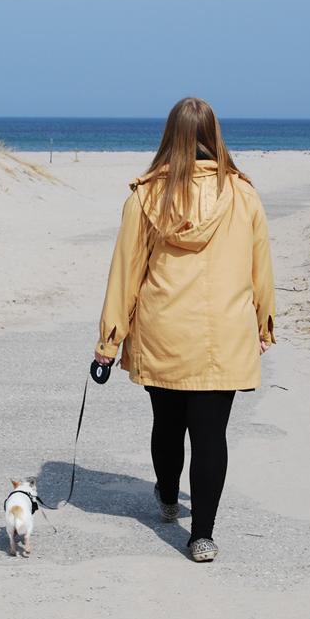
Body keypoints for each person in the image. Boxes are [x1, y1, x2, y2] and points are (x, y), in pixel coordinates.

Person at [93, 97, 275, 563]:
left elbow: (125, 273)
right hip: (225, 334)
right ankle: (203, 537)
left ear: (170, 135)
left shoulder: (145, 196)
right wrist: (264, 324)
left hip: (164, 329)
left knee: (168, 425)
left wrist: (108, 345)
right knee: (211, 434)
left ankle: (170, 498)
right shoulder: (243, 194)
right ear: (214, 134)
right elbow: (262, 270)